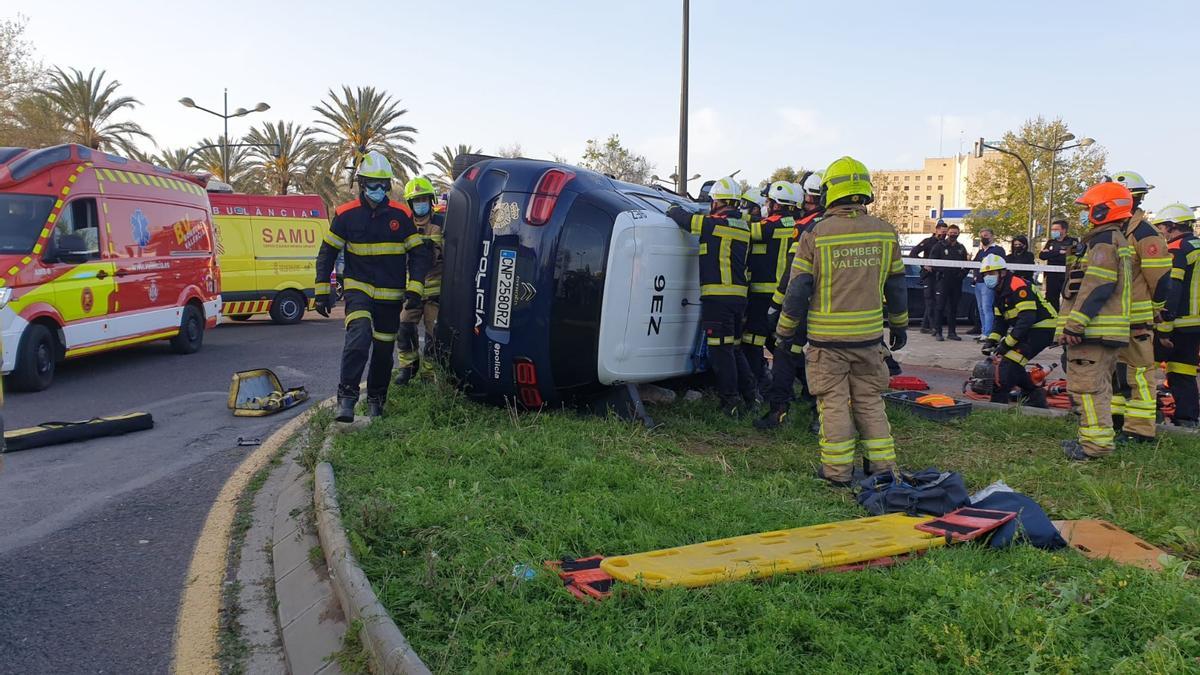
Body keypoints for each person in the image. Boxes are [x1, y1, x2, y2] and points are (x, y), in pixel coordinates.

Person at [775, 156, 908, 487]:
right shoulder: (885, 233)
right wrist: (900, 326)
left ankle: (836, 473)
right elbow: (897, 286)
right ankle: (883, 470)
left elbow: (798, 290)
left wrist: (784, 331)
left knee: (833, 405)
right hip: (868, 340)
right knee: (870, 402)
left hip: (826, 343)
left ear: (829, 193)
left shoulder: (816, 235)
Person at [314, 151, 431, 422]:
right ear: (361, 184)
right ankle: (347, 398)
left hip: (391, 296)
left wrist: (415, 289)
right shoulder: (346, 215)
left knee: (382, 352)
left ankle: (377, 400)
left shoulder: (401, 216)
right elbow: (327, 252)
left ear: (388, 186)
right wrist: (322, 290)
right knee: (359, 335)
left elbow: (419, 254)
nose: (378, 190)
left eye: (383, 185)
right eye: (372, 185)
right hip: (359, 289)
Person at [666, 177, 757, 416]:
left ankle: (730, 402)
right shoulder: (743, 226)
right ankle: (751, 397)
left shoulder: (714, 224)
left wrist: (673, 207)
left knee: (720, 350)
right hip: (738, 299)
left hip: (718, 298)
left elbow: (685, 220)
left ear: (718, 202)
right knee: (734, 349)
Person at [1057, 182, 1133, 461]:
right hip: (1103, 331)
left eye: (1089, 208)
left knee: (1086, 388)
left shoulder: (1103, 243)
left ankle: (1094, 447)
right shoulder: (1112, 240)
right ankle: (1092, 440)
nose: (1085, 213)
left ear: (1103, 209)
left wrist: (1075, 325)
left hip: (1092, 331)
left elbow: (1097, 285)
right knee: (1099, 387)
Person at [1101, 172, 1172, 443]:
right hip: (1116, 318)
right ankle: (1119, 420)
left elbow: (1161, 279)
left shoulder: (1145, 233)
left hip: (1138, 318)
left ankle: (1140, 430)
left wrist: (1156, 309)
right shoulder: (1118, 230)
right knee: (1118, 372)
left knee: (1139, 375)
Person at [757, 171, 825, 430]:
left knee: (786, 352)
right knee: (826, 360)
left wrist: (776, 304)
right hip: (833, 306)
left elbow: (793, 271)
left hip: (801, 302)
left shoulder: (806, 228)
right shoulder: (839, 225)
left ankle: (778, 412)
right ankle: (820, 414)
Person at [743, 181, 801, 391]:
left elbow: (748, 229)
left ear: (777, 204)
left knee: (752, 340)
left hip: (764, 292)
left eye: (768, 201)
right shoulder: (797, 224)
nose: (766, 205)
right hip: (785, 292)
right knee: (779, 341)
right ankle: (800, 384)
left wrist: (738, 214)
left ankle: (759, 387)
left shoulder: (773, 224)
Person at [979, 254, 1057, 408]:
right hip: (1029, 329)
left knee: (1008, 365)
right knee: (1013, 365)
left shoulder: (1017, 285)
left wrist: (1007, 344)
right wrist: (992, 340)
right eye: (986, 274)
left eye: (991, 273)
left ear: (1002, 273)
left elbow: (1026, 319)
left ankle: (996, 407)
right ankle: (1035, 396)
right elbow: (1000, 321)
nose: (988, 277)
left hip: (1042, 328)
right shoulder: (999, 291)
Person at [1152, 203, 1199, 428]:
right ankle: (1187, 418)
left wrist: (1163, 329)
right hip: (1195, 325)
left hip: (1178, 322)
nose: (1161, 233)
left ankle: (1149, 413)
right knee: (1184, 369)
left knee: (1143, 367)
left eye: (1162, 228)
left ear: (1172, 226)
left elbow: (1173, 290)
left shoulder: (1178, 249)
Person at [395, 176, 444, 385]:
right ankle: (408, 366)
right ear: (410, 203)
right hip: (412, 291)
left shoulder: (440, 225)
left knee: (434, 335)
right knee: (404, 328)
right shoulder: (404, 226)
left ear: (430, 200)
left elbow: (433, 256)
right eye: (416, 201)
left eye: (423, 199)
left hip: (435, 292)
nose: (420, 204)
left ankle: (429, 374)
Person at [930, 224, 968, 341]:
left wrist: (961, 276)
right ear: (947, 233)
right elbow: (932, 262)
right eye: (951, 232)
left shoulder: (961, 248)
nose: (953, 235)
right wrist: (941, 272)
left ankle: (952, 332)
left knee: (953, 308)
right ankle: (938, 332)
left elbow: (966, 265)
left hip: (956, 282)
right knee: (940, 307)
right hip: (942, 281)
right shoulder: (939, 246)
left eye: (955, 233)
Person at [910, 220, 948, 333]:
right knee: (930, 301)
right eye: (942, 232)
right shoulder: (928, 241)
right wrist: (924, 264)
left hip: (940, 275)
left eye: (945, 232)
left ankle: (925, 325)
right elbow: (913, 253)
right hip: (929, 275)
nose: (944, 234)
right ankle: (933, 327)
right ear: (936, 230)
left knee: (935, 301)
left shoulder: (945, 244)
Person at [970, 228, 1006, 339]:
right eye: (982, 236)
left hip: (988, 282)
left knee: (987, 307)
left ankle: (989, 333)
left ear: (992, 236)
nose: (984, 238)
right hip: (979, 282)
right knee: (980, 308)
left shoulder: (997, 250)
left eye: (986, 236)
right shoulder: (980, 251)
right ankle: (984, 331)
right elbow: (975, 264)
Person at [1039, 218, 1077, 310]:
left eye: (1056, 230)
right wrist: (1059, 252)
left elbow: (1071, 257)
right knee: (1051, 299)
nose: (1053, 232)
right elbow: (1042, 256)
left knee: (1068, 298)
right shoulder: (1051, 242)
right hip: (1052, 276)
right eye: (1052, 230)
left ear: (1064, 230)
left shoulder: (1072, 242)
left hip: (1067, 275)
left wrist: (1051, 253)